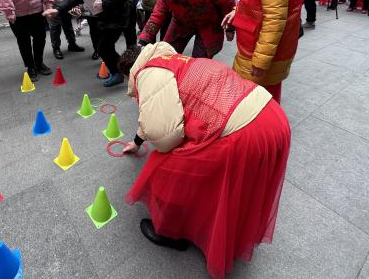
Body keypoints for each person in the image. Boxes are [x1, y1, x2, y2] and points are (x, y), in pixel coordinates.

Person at [118, 42, 291, 279]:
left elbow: (164, 137)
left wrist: (152, 143)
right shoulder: (172, 59)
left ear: (131, 73)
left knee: (164, 166)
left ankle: (170, 232)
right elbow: (158, 109)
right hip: (270, 115)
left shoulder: (147, 74)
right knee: (229, 183)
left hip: (245, 132)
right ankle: (220, 230)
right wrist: (137, 141)